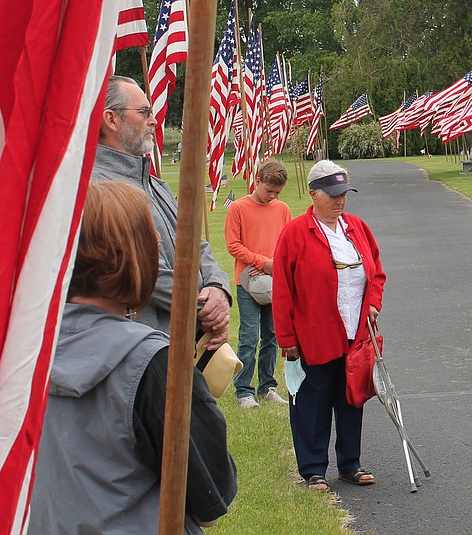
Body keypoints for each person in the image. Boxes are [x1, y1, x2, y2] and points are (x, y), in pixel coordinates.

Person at [30, 181, 237, 533]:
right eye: (153, 244)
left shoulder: (24, 353)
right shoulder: (154, 364)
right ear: (134, 256)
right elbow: (211, 502)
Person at [92, 75, 231, 348]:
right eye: (144, 112)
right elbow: (138, 269)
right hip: (137, 353)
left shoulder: (156, 184)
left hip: (179, 346)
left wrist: (218, 289)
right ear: (111, 119)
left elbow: (197, 245)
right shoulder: (95, 189)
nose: (153, 121)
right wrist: (204, 306)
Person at [273, 160, 386, 491]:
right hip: (313, 335)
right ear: (313, 195)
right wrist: (287, 338)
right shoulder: (295, 233)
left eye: (344, 194)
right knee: (312, 402)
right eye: (333, 195)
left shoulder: (357, 227)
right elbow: (282, 290)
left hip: (355, 333)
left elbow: (376, 272)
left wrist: (374, 302)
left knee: (352, 398)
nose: (340, 201)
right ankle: (312, 469)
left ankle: (351, 462)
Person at [225, 159, 292, 408]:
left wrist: (275, 264)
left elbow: (288, 243)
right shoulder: (238, 208)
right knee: (249, 336)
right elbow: (233, 245)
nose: (272, 196)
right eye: (268, 191)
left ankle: (268, 387)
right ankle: (243, 390)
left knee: (272, 335)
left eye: (277, 192)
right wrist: (263, 262)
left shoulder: (283, 209)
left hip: (276, 281)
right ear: (257, 181)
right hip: (247, 283)